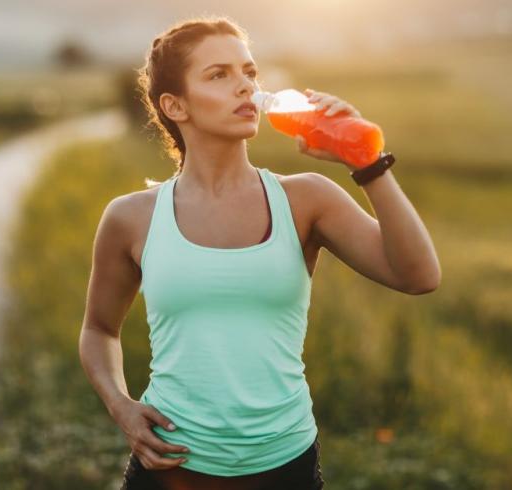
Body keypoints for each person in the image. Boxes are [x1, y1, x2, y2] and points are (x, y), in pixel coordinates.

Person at [78, 14, 441, 490]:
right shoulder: (131, 217)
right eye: (219, 75)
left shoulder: (306, 198)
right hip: (171, 470)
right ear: (175, 105)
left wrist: (367, 162)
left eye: (249, 72)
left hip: (285, 465)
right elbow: (99, 329)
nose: (245, 87)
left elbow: (418, 275)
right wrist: (121, 406)